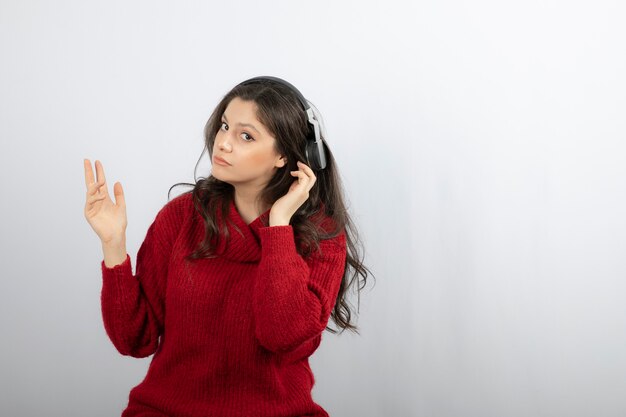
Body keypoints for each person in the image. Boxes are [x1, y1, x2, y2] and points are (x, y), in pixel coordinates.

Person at [83, 76, 371, 417]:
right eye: (224, 127)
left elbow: (282, 336)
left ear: (284, 156)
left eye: (245, 136)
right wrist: (113, 245)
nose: (223, 143)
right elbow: (135, 340)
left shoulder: (320, 233)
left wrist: (278, 226)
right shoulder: (181, 217)